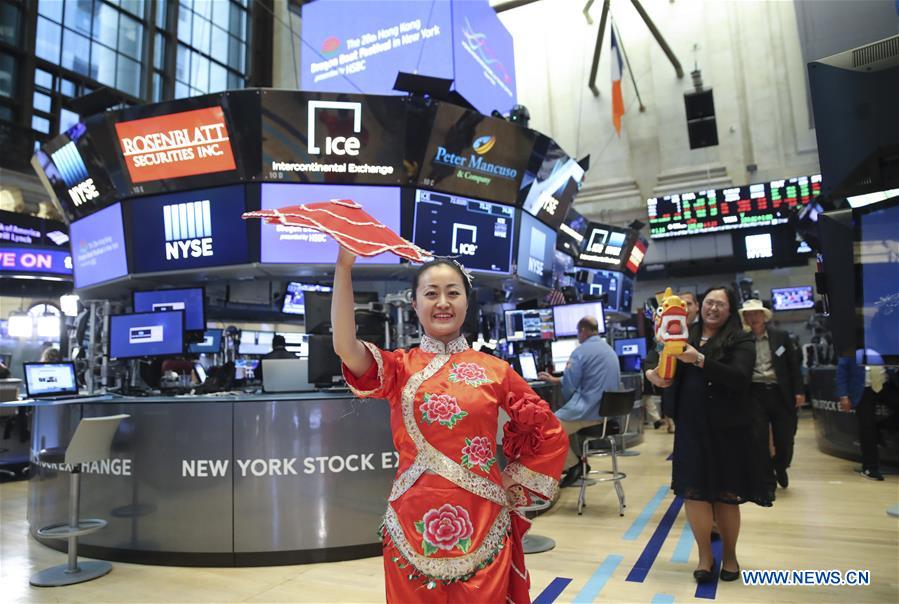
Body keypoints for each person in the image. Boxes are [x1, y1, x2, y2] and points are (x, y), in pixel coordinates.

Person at [332, 250, 568, 603]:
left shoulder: (496, 370)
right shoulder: (398, 367)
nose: (443, 302)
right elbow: (346, 348)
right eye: (431, 293)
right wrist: (344, 268)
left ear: (466, 303)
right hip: (410, 525)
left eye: (453, 293)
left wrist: (510, 483)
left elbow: (548, 432)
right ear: (414, 304)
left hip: (484, 521)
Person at [647, 286, 771, 584]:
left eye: (720, 304)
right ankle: (705, 556)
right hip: (690, 427)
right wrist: (654, 376)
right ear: (701, 306)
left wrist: (700, 359)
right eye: (709, 303)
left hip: (728, 428)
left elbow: (739, 377)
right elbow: (658, 365)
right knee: (695, 495)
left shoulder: (740, 338)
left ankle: (730, 556)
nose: (713, 308)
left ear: (730, 310)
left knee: (726, 496)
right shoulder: (683, 333)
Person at [537, 316, 621, 487]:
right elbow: (591, 379)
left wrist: (569, 402)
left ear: (582, 330)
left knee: (547, 429)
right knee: (562, 426)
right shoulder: (609, 350)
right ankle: (576, 463)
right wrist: (557, 380)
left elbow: (570, 385)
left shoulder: (580, 352)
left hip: (589, 412)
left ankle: (574, 465)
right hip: (607, 413)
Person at [739, 299, 804, 491]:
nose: (753, 318)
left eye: (756, 313)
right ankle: (767, 477)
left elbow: (793, 365)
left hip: (780, 392)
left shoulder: (781, 336)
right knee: (758, 438)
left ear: (763, 316)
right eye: (749, 314)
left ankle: (781, 466)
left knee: (785, 437)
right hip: (754, 393)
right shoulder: (742, 339)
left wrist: (799, 391)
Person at [836, 354, 887, 481]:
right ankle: (870, 468)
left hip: (886, 385)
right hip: (863, 390)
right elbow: (842, 372)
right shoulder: (851, 347)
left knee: (872, 427)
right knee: (868, 428)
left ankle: (880, 427)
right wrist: (843, 395)